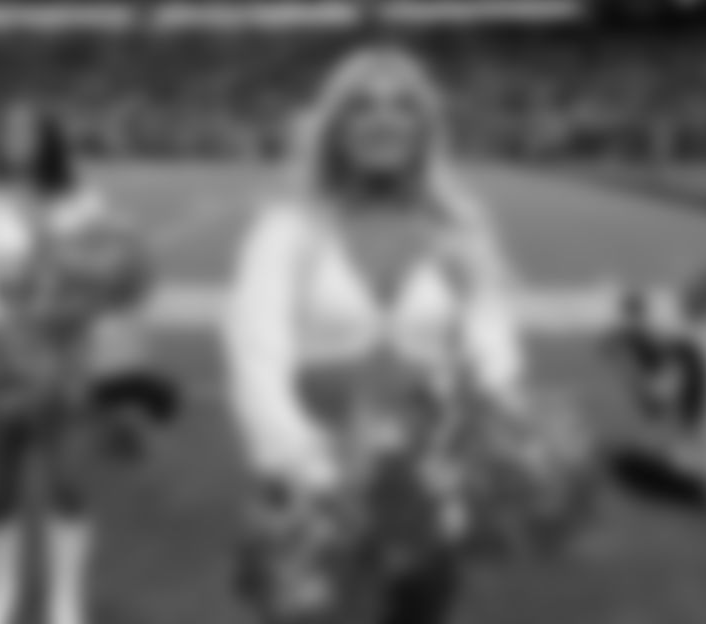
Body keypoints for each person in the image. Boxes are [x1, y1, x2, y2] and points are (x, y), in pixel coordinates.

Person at [222, 45, 593, 624]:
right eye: (361, 106)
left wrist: (495, 440)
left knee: (420, 612)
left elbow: (492, 341)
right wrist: (304, 463)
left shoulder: (460, 224)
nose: (383, 119)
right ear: (335, 126)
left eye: (403, 106)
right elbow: (256, 357)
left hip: (427, 482)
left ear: (426, 126)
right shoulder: (286, 228)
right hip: (311, 478)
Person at [0, 105, 170, 624]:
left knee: (70, 484)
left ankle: (65, 601)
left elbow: (118, 282)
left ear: (48, 139)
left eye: (28, 130)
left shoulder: (84, 201)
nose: (17, 140)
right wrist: (15, 350)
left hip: (70, 364)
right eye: (7, 130)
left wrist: (116, 366)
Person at [607, 271, 706, 514]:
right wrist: (642, 339)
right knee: (666, 450)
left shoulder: (688, 346)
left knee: (618, 461)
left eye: (685, 293)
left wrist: (625, 363)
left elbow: (652, 406)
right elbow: (697, 370)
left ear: (694, 300)